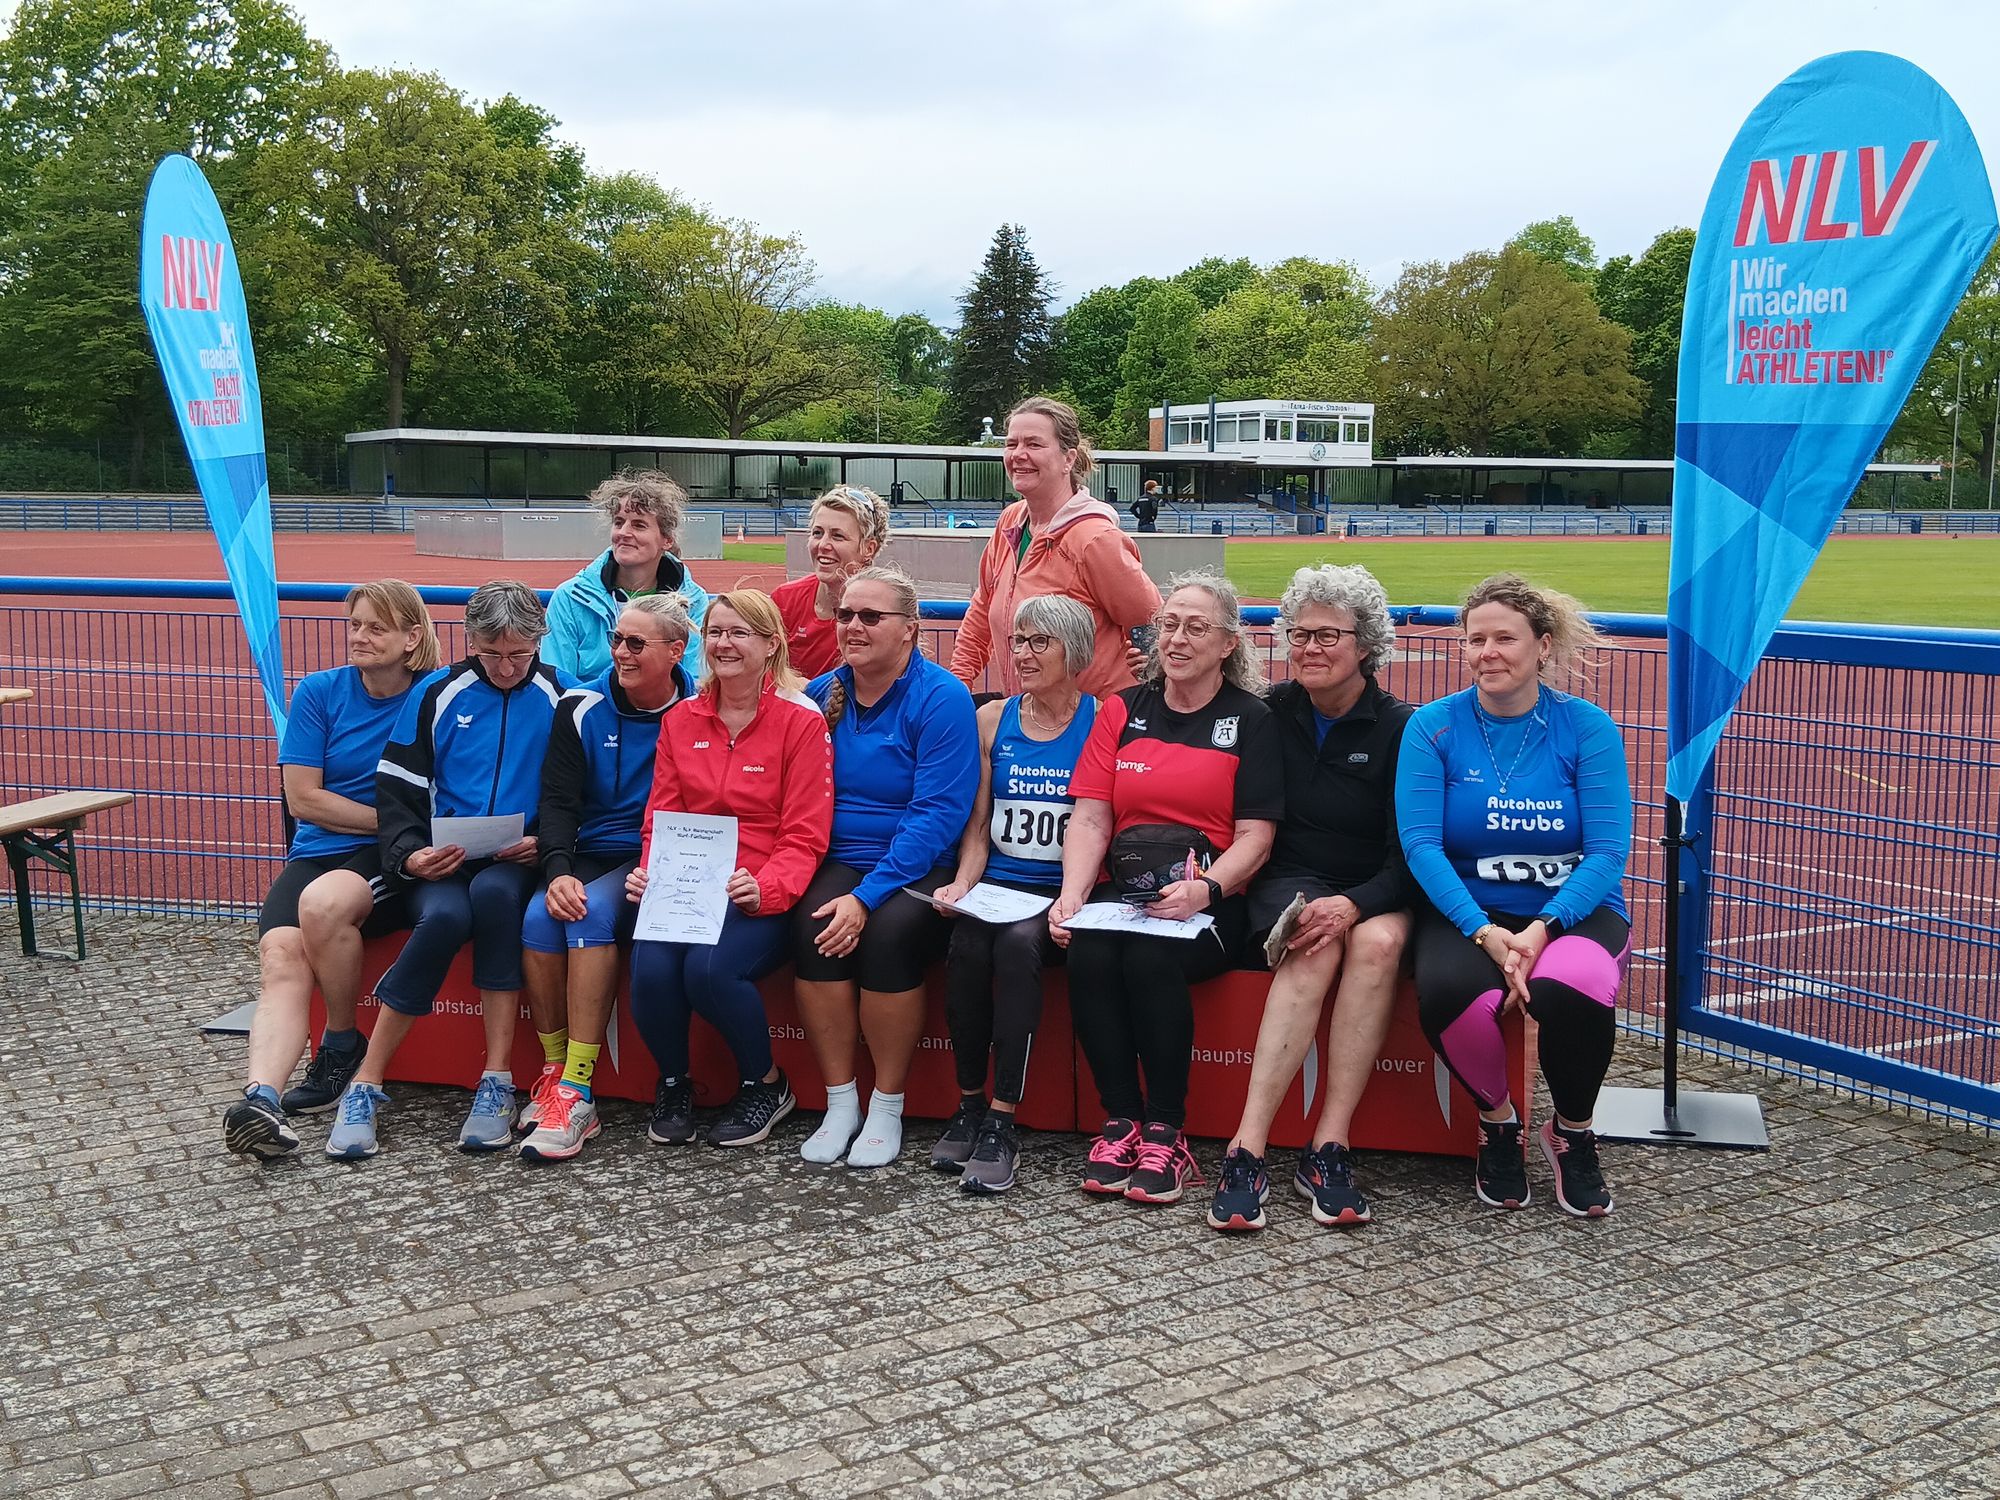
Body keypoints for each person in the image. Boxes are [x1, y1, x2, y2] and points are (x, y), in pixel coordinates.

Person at [1397, 572, 1634, 1217]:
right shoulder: (1433, 727)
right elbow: (1421, 845)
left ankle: (1572, 1132)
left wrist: (1543, 929)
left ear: (1543, 646)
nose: (1488, 653)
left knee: (1572, 987)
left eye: (1505, 638)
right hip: (1469, 911)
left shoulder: (1585, 728)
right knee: (1451, 994)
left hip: (1570, 912)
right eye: (1476, 640)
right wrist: (1482, 930)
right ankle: (1498, 1123)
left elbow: (1608, 853)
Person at [1052, 572, 1282, 1206]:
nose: (1177, 639)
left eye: (1195, 628)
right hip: (1124, 893)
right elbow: (1091, 816)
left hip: (1211, 902)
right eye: (1169, 625)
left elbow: (1256, 838)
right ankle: (1120, 1121)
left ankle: (1165, 1131)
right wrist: (1072, 895)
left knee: (1151, 957)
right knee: (1089, 950)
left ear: (1228, 644)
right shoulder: (1123, 709)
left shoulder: (1253, 720)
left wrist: (1205, 890)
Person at [326, 580, 573, 1160]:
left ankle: (497, 1080)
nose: (506, 667)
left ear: (539, 641)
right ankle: (365, 1083)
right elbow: (397, 789)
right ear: (469, 641)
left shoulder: (562, 695)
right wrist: (410, 854)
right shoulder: (437, 692)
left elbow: (573, 792)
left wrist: (546, 842)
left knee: (496, 897)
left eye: (519, 654)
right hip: (442, 860)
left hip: (516, 861)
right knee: (441, 917)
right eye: (491, 654)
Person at [1205, 565, 1414, 1231]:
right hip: (1289, 879)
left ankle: (1330, 1146)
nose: (1310, 648)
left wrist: (1356, 905)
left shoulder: (1402, 729)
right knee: (1314, 945)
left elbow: (1409, 856)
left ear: (1366, 645)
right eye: (1300, 634)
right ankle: (1247, 1148)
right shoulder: (1269, 712)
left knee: (1378, 943)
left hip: (1376, 886)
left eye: (1328, 635)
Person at [223, 581, 440, 1158]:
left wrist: (401, 834)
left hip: (388, 854)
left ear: (411, 637)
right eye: (355, 625)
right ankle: (262, 1100)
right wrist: (392, 820)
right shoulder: (319, 691)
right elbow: (304, 799)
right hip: (321, 847)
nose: (360, 637)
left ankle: (341, 1042)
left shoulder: (435, 694)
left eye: (376, 627)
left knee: (322, 905)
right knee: (280, 954)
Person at [627, 589, 832, 1148]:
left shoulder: (800, 720)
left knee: (709, 969)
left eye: (740, 633)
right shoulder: (682, 718)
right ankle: (674, 1084)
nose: (724, 643)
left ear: (771, 645)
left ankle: (764, 1083)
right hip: (688, 883)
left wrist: (765, 887)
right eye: (715, 632)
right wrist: (651, 872)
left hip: (759, 885)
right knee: (651, 968)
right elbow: (661, 817)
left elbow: (805, 833)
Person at [796, 565, 978, 1167]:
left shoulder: (941, 697)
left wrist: (865, 898)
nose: (853, 626)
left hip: (919, 864)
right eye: (845, 614)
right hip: (838, 855)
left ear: (909, 629)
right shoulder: (821, 693)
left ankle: (887, 1104)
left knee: (888, 937)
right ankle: (840, 1101)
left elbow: (936, 815)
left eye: (871, 616)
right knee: (811, 927)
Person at [927, 594, 1099, 1194]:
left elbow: (1098, 820)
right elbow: (979, 827)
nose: (1021, 654)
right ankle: (969, 1102)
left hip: (1060, 893)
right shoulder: (992, 719)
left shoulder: (1101, 720)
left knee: (1018, 947)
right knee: (967, 944)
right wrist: (961, 884)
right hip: (999, 884)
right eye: (1017, 641)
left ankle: (1003, 1118)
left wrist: (1072, 898)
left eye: (1038, 642)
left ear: (1074, 652)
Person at [514, 595, 695, 1163]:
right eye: (617, 639)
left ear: (676, 651)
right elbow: (558, 801)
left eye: (637, 643)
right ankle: (555, 1073)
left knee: (588, 914)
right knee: (539, 915)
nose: (620, 652)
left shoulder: (701, 710)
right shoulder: (579, 706)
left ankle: (579, 1091)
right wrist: (557, 871)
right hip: (590, 850)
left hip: (659, 856)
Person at [949, 396, 1160, 699]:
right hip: (1026, 714)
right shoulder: (1010, 522)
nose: (1018, 455)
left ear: (1068, 459)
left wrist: (1141, 703)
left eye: (1034, 444)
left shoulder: (1096, 540)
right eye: (1012, 444)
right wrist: (957, 687)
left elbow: (1152, 625)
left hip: (1092, 719)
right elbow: (982, 609)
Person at [542, 469, 711, 681]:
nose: (623, 533)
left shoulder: (693, 600)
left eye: (639, 525)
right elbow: (556, 681)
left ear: (667, 540)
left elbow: (695, 680)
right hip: (585, 702)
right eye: (619, 522)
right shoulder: (569, 598)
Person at [772, 485, 890, 678]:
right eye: (817, 533)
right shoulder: (784, 600)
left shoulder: (887, 611)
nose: (823, 545)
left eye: (838, 536)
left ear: (868, 548)